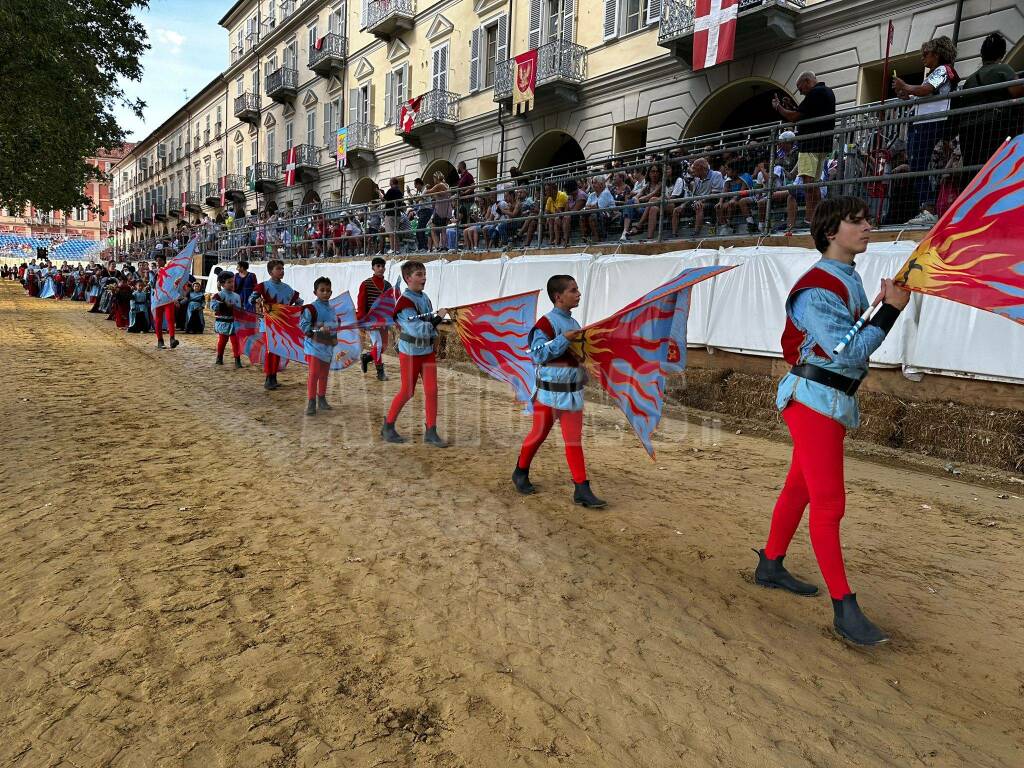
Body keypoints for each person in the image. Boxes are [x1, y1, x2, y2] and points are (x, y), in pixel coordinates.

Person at [754, 196, 910, 647]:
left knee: (800, 489)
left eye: (865, 219)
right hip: (815, 400)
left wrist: (878, 304)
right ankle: (845, 609)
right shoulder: (820, 285)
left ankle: (770, 563)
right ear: (830, 232)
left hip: (827, 399)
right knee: (829, 503)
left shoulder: (845, 279)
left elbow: (845, 336)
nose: (866, 226)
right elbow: (850, 351)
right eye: (855, 221)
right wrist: (891, 310)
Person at [512, 275, 606, 508]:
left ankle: (581, 489)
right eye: (573, 290)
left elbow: (574, 357)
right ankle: (520, 471)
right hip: (549, 395)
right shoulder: (545, 324)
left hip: (572, 394)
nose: (578, 294)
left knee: (573, 441)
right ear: (558, 297)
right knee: (538, 435)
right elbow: (537, 354)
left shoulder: (573, 324)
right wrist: (563, 339)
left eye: (577, 290)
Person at [380, 261, 449, 447]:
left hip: (426, 351)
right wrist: (437, 319)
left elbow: (426, 326)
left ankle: (431, 431)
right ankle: (388, 426)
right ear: (408, 278)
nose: (424, 278)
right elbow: (417, 329)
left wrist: (436, 343)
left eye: (424, 274)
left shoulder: (424, 298)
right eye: (419, 274)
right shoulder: (404, 303)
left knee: (432, 390)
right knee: (407, 391)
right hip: (410, 352)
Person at [893, 36, 959, 226]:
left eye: (926, 54)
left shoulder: (942, 70)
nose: (923, 58)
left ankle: (929, 208)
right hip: (926, 121)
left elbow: (926, 90)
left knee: (921, 164)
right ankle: (927, 206)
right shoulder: (935, 72)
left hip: (931, 122)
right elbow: (923, 92)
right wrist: (906, 92)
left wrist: (906, 86)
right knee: (918, 164)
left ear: (937, 54)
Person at [773, 71, 836, 229]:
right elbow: (807, 114)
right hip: (821, 144)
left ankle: (810, 219)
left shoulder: (816, 92)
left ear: (808, 81)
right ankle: (819, 217)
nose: (800, 92)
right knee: (812, 183)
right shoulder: (826, 92)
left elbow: (795, 117)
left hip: (810, 145)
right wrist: (793, 108)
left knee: (808, 183)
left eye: (800, 88)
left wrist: (779, 107)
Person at [955, 33, 1024, 169]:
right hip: (994, 128)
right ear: (1002, 53)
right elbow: (1017, 91)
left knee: (975, 170)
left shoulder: (970, 79)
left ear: (982, 54)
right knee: (998, 167)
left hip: (968, 131)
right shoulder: (1002, 69)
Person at [250, 259, 302, 390]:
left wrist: (290, 312)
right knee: (270, 350)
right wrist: (257, 300)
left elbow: (299, 302)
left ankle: (273, 377)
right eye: (278, 269)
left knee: (278, 350)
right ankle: (269, 377)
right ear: (270, 271)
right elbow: (252, 299)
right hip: (267, 323)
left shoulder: (287, 288)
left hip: (282, 324)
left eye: (282, 269)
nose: (281, 271)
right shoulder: (263, 286)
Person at [299, 276, 340, 416]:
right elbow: (304, 325)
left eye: (328, 290)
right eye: (322, 290)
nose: (325, 293)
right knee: (314, 374)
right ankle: (311, 402)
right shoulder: (311, 308)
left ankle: (321, 398)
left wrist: (333, 328)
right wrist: (313, 329)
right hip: (314, 347)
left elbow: (336, 325)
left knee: (324, 375)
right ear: (315, 292)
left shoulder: (333, 310)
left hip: (327, 347)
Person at [357, 257, 393, 381]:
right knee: (377, 345)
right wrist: (361, 320)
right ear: (373, 268)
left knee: (383, 347)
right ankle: (380, 372)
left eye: (383, 266)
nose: (381, 268)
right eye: (378, 266)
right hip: (370, 320)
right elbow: (361, 304)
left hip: (383, 321)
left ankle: (366, 358)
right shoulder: (366, 284)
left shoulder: (388, 285)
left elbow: (390, 304)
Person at [210, 271, 244, 368]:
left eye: (233, 282)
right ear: (222, 284)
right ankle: (219, 357)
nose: (232, 284)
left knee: (235, 342)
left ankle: (237, 360)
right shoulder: (218, 296)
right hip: (223, 322)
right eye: (229, 282)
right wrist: (224, 304)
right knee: (222, 341)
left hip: (234, 322)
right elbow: (213, 307)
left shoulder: (237, 296)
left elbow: (239, 309)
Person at [150, 254, 179, 349]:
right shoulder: (153, 272)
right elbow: (152, 285)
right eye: (157, 260)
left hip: (168, 298)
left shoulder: (170, 272)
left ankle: (172, 339)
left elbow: (173, 284)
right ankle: (160, 340)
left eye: (160, 260)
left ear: (164, 261)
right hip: (158, 298)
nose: (158, 262)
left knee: (170, 318)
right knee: (158, 320)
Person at [381, 177, 403, 254]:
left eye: (390, 182)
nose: (389, 183)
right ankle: (397, 249)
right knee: (395, 232)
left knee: (391, 232)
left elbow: (383, 199)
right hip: (398, 214)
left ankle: (392, 248)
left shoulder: (391, 190)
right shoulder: (400, 192)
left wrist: (379, 193)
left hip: (390, 213)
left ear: (392, 183)